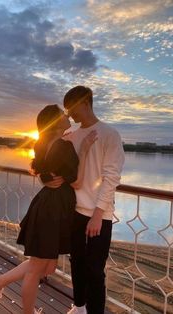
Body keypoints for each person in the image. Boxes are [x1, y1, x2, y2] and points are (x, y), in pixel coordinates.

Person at [0, 104, 97, 314]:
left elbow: (48, 170)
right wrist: (86, 149)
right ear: (54, 123)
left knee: (44, 266)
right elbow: (77, 182)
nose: (67, 116)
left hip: (48, 205)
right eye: (62, 115)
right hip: (54, 209)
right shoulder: (63, 146)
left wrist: (47, 177)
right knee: (37, 268)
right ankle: (13, 299)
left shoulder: (43, 143)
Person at [44, 86, 125, 314]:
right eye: (66, 110)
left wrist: (98, 214)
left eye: (72, 107)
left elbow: (111, 178)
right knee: (77, 263)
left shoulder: (110, 134)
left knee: (95, 271)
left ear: (86, 103)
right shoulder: (70, 136)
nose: (69, 114)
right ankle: (79, 308)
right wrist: (45, 179)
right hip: (74, 211)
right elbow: (45, 159)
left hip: (100, 215)